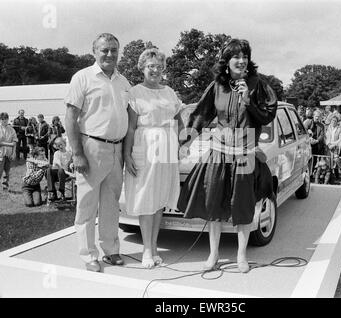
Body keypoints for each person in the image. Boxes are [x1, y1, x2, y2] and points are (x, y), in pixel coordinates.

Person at [177, 39, 277, 273]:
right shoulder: (217, 86)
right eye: (236, 57)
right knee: (214, 207)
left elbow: (267, 116)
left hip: (245, 155)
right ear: (227, 61)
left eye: (245, 57)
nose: (241, 61)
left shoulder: (258, 85)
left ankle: (241, 256)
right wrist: (185, 141)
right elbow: (201, 115)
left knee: (243, 208)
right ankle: (214, 254)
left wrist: (248, 101)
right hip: (219, 154)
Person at [65, 33, 131, 272]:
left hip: (117, 148)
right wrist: (77, 154)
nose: (110, 54)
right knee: (87, 205)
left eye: (114, 50)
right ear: (94, 52)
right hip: (91, 147)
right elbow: (70, 118)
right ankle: (88, 254)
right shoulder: (82, 78)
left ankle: (111, 250)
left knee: (111, 204)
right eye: (104, 50)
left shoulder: (124, 82)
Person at [123, 48, 185, 268]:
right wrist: (127, 154)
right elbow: (130, 128)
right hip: (145, 146)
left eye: (159, 66)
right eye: (151, 66)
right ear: (142, 68)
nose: (155, 70)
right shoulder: (135, 92)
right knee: (146, 198)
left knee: (159, 200)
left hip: (167, 150)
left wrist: (179, 144)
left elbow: (179, 122)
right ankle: (146, 251)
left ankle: (154, 247)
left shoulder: (169, 92)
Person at [0, 112, 18, 196]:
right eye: (2, 119)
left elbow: (14, 141)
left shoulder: (11, 129)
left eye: (6, 119)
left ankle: (5, 187)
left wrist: (14, 152)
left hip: (8, 154)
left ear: (8, 119)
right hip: (0, 154)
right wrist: (9, 144)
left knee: (7, 172)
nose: (4, 121)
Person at [47, 137, 73, 203]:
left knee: (61, 170)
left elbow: (71, 165)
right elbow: (58, 165)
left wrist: (71, 165)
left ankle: (62, 193)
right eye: (58, 146)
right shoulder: (56, 154)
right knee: (49, 170)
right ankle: (52, 192)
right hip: (56, 174)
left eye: (61, 144)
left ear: (65, 144)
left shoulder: (69, 154)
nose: (60, 146)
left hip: (65, 174)